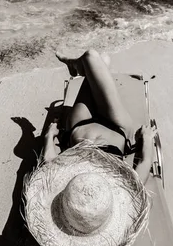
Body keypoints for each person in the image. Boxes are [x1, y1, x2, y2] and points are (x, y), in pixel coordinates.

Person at [41, 48, 156, 184]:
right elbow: (144, 163)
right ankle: (77, 65)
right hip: (117, 126)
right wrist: (147, 139)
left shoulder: (67, 184)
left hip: (80, 123)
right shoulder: (122, 186)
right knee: (96, 58)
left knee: (94, 57)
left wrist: (49, 136)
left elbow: (48, 162)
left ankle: (78, 65)